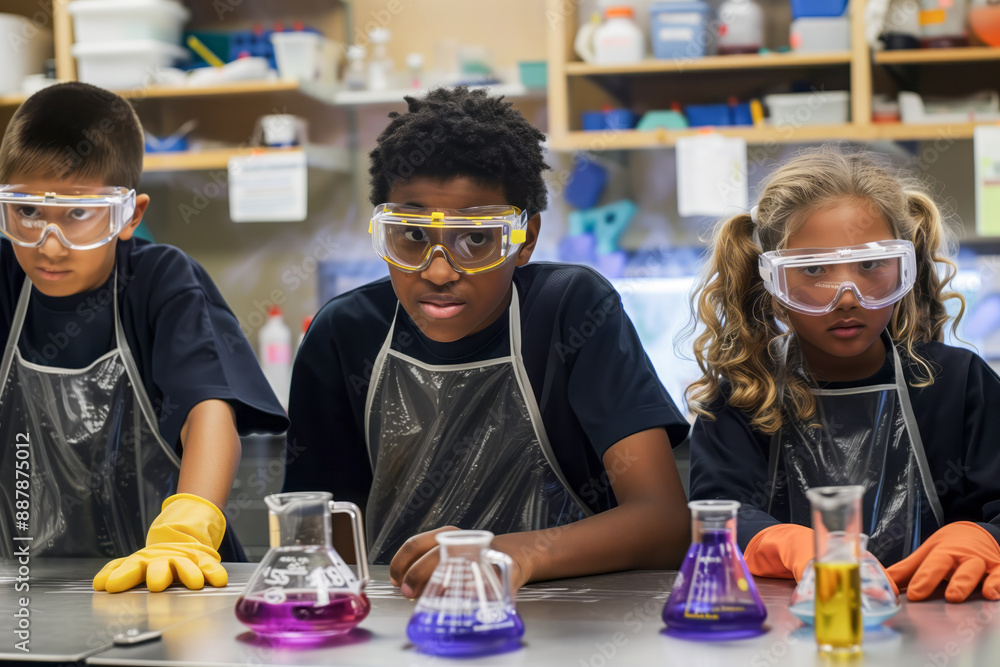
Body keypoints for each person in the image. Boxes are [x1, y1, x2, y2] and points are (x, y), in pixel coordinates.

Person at [283, 87, 690, 597]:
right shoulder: (343, 334)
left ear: (526, 239)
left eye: (476, 238)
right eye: (410, 235)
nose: (437, 271)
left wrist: (509, 554)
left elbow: (665, 523)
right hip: (401, 623)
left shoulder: (569, 310)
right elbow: (316, 544)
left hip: (564, 619)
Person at [0, 83, 288, 592]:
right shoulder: (4, 279)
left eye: (79, 215)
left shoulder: (159, 282)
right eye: (27, 212)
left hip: (172, 580)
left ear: (130, 215)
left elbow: (209, 412)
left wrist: (185, 533)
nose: (50, 244)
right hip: (27, 587)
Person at [688, 148, 1000, 603]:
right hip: (794, 624)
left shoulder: (956, 383)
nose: (847, 297)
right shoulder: (743, 398)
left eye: (871, 265)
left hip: (941, 618)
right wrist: (785, 544)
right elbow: (719, 516)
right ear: (773, 286)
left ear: (903, 268)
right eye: (813, 270)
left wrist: (985, 536)